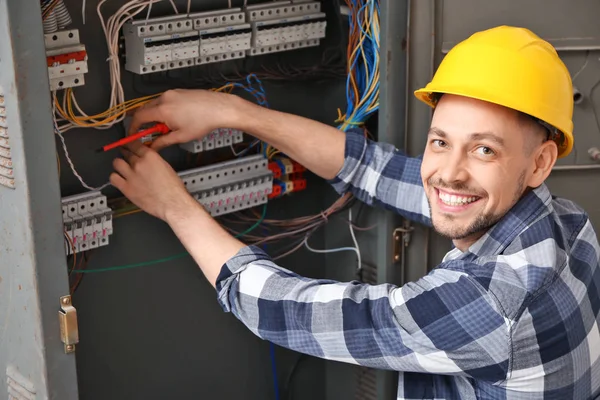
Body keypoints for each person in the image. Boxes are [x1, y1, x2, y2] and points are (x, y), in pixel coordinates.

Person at [110, 26, 600, 399]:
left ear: (540, 162)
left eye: (485, 151)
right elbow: (375, 169)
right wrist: (231, 112)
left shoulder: (493, 309)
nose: (449, 174)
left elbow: (286, 309)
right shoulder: (567, 223)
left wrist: (173, 204)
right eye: (440, 142)